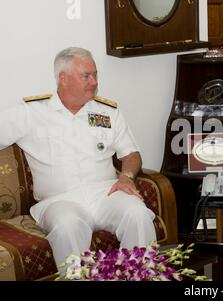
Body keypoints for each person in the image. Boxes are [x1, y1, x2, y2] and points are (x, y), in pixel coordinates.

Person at [0, 47, 156, 273]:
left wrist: (126, 176)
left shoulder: (107, 112)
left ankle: (139, 276)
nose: (93, 81)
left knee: (138, 214)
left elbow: (131, 153)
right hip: (58, 201)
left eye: (95, 74)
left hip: (106, 194)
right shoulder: (31, 113)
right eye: (86, 76)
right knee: (67, 227)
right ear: (62, 78)